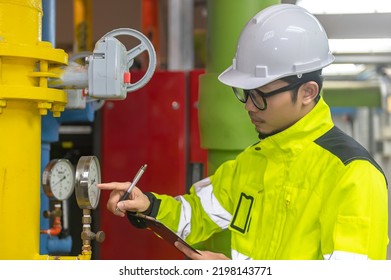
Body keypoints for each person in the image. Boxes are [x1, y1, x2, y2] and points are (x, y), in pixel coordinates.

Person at [97, 4, 389, 260]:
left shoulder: (353, 176)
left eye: (260, 95)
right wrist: (148, 205)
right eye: (245, 92)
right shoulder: (251, 164)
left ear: (307, 92)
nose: (249, 105)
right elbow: (193, 216)